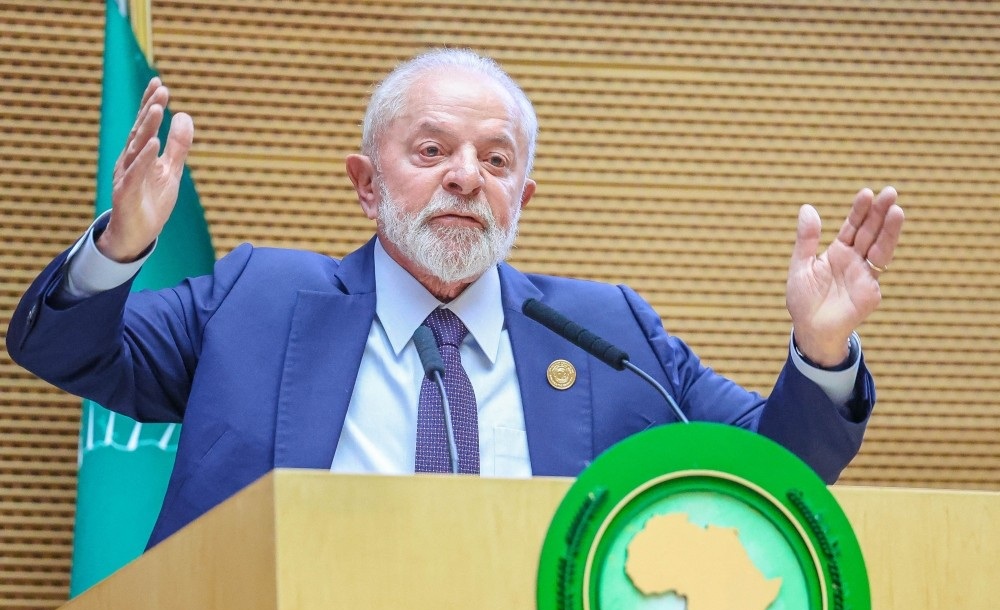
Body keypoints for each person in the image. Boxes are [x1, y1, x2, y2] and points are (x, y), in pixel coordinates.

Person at [7, 49, 904, 548]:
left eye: (497, 160)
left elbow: (773, 468)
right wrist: (121, 246)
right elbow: (66, 351)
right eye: (431, 151)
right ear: (366, 183)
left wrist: (822, 349)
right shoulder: (256, 298)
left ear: (524, 198)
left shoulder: (606, 330)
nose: (467, 178)